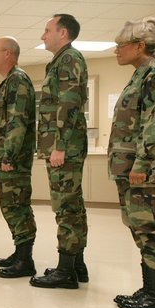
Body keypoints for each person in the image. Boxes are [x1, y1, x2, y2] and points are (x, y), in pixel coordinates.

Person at [109, 17, 155, 308]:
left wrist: (141, 162)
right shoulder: (140, 74)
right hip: (131, 169)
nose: (116, 50)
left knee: (151, 230)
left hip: (145, 169)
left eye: (121, 46)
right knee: (140, 229)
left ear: (140, 46)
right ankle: (152, 288)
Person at [29, 14, 89, 289]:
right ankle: (75, 265)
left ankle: (66, 271)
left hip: (64, 147)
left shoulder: (68, 60)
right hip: (63, 145)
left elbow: (69, 104)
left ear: (62, 33)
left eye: (47, 30)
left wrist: (59, 145)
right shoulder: (62, 60)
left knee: (66, 208)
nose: (43, 36)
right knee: (72, 207)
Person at [0, 37, 37, 278]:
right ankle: (20, 252)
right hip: (4, 159)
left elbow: (17, 121)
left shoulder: (17, 80)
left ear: (8, 54)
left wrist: (9, 156)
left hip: (12, 160)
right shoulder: (9, 81)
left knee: (17, 207)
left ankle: (25, 260)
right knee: (11, 207)